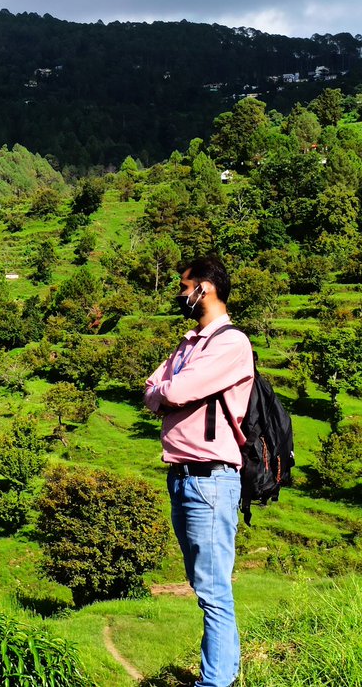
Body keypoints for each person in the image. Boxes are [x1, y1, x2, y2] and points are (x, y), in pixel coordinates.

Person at [144, 256, 253, 687]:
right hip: (183, 476)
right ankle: (220, 675)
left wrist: (166, 393)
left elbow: (176, 389)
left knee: (212, 592)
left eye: (183, 285)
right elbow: (152, 389)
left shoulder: (230, 343)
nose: (179, 293)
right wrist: (164, 393)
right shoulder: (190, 343)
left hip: (210, 478)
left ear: (203, 289)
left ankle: (217, 682)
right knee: (203, 585)